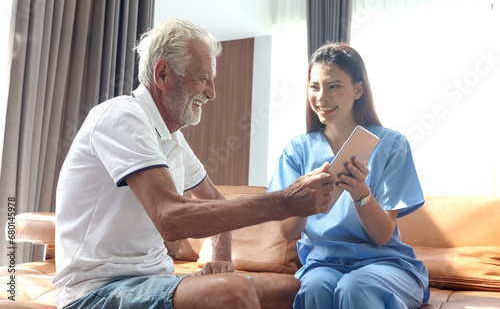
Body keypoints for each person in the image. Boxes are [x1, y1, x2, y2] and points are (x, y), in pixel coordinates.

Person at [53, 17, 336, 309]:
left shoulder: (171, 137)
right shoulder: (122, 116)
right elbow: (170, 218)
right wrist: (285, 203)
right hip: (95, 292)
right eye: (203, 78)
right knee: (232, 293)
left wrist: (221, 261)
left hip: (155, 281)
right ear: (163, 74)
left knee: (289, 289)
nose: (212, 92)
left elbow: (215, 199)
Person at [267, 42, 430, 309]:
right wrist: (305, 198)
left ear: (358, 89)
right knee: (315, 288)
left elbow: (382, 236)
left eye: (333, 86)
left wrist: (360, 192)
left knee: (355, 287)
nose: (321, 96)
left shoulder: (391, 145)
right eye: (314, 86)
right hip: (323, 264)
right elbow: (288, 231)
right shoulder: (297, 150)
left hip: (384, 264)